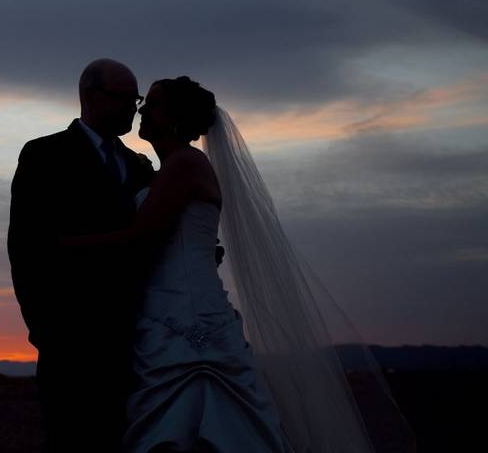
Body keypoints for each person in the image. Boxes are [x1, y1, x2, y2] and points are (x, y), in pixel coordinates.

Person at [62, 77, 412, 452]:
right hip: (168, 308)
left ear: (177, 117)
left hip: (187, 312)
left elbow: (141, 237)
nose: (143, 109)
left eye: (154, 103)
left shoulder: (184, 164)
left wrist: (63, 246)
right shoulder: (165, 169)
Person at [7, 58, 154, 451]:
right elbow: (26, 248)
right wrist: (46, 331)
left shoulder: (140, 165)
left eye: (135, 99)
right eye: (123, 98)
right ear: (90, 95)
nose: (132, 108)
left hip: (139, 341)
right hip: (69, 342)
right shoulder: (44, 155)